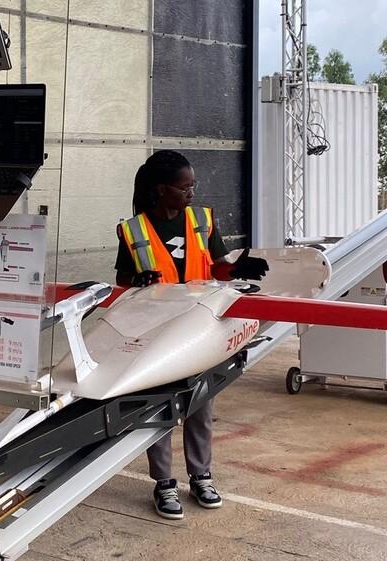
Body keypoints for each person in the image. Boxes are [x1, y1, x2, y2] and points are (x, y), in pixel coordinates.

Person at [115, 150, 268, 520]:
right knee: (160, 406)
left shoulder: (201, 220)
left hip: (198, 326)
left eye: (193, 185)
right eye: (185, 186)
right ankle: (163, 483)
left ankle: (201, 475)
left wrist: (236, 269)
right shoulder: (133, 229)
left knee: (201, 404)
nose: (191, 192)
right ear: (161, 189)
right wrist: (136, 281)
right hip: (157, 329)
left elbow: (216, 268)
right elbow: (122, 278)